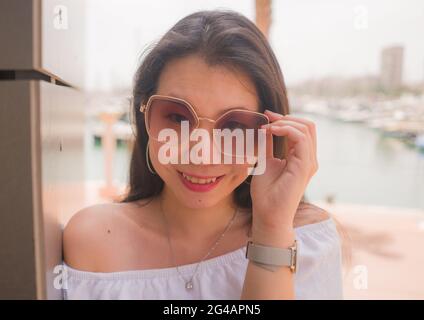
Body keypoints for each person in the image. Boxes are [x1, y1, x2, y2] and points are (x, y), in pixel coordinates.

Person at [62, 9, 343, 300]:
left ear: (268, 132)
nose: (202, 153)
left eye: (234, 125)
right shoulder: (92, 240)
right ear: (144, 116)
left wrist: (271, 229)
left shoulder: (310, 241)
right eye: (177, 118)